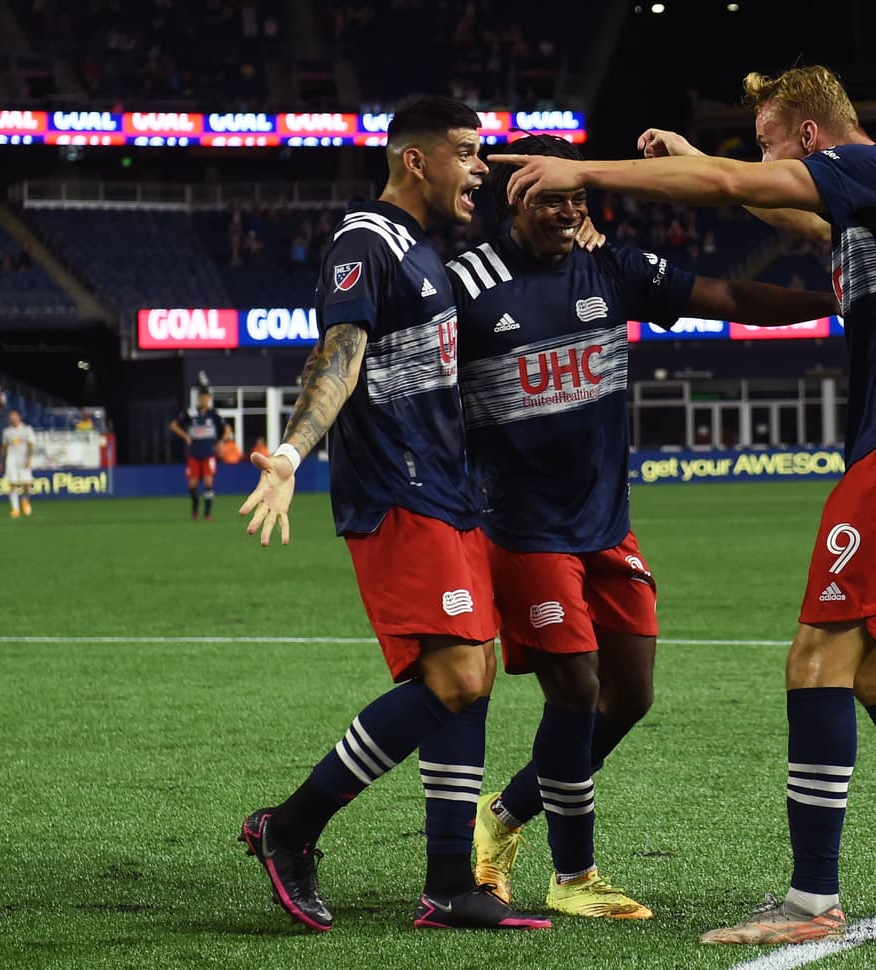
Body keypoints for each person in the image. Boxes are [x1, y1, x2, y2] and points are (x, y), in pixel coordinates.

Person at [492, 62, 876, 944]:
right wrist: (703, 154)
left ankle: (811, 901)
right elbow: (783, 206)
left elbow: (741, 184)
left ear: (811, 138)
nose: (768, 159)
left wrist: (586, 172)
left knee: (815, 660)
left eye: (774, 142)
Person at [427, 133, 839, 923]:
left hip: (607, 523)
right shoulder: (464, 287)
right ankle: (572, 877)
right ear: (517, 199)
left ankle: (504, 814)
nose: (570, 210)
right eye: (553, 197)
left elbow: (729, 299)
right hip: (522, 527)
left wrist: (833, 307)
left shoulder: (610, 267)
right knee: (576, 693)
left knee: (631, 695)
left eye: (578, 197)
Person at [234, 95, 550, 935]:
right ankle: (289, 827)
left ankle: (448, 884)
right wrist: (294, 453)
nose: (480, 167)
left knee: (472, 673)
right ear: (417, 160)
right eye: (467, 151)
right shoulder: (364, 241)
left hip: (450, 494)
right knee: (452, 677)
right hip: (398, 492)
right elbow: (338, 354)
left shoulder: (424, 255)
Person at [168, 386, 225, 520]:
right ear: (199, 399)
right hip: (194, 454)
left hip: (208, 453)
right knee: (192, 485)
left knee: (208, 483)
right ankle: (195, 505)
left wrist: (220, 442)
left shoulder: (213, 414)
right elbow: (173, 425)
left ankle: (207, 512)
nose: (204, 400)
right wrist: (185, 436)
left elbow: (227, 429)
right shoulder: (191, 413)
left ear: (209, 399)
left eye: (206, 398)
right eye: (201, 398)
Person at [0, 409, 36, 518]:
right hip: (11, 459)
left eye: (14, 416)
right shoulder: (7, 432)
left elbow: (31, 444)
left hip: (23, 459)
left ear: (19, 417)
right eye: (11, 417)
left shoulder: (26, 429)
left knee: (27, 483)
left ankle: (25, 500)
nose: (13, 418)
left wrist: (29, 458)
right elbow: (4, 447)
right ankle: (15, 509)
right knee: (13, 483)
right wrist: (1, 462)